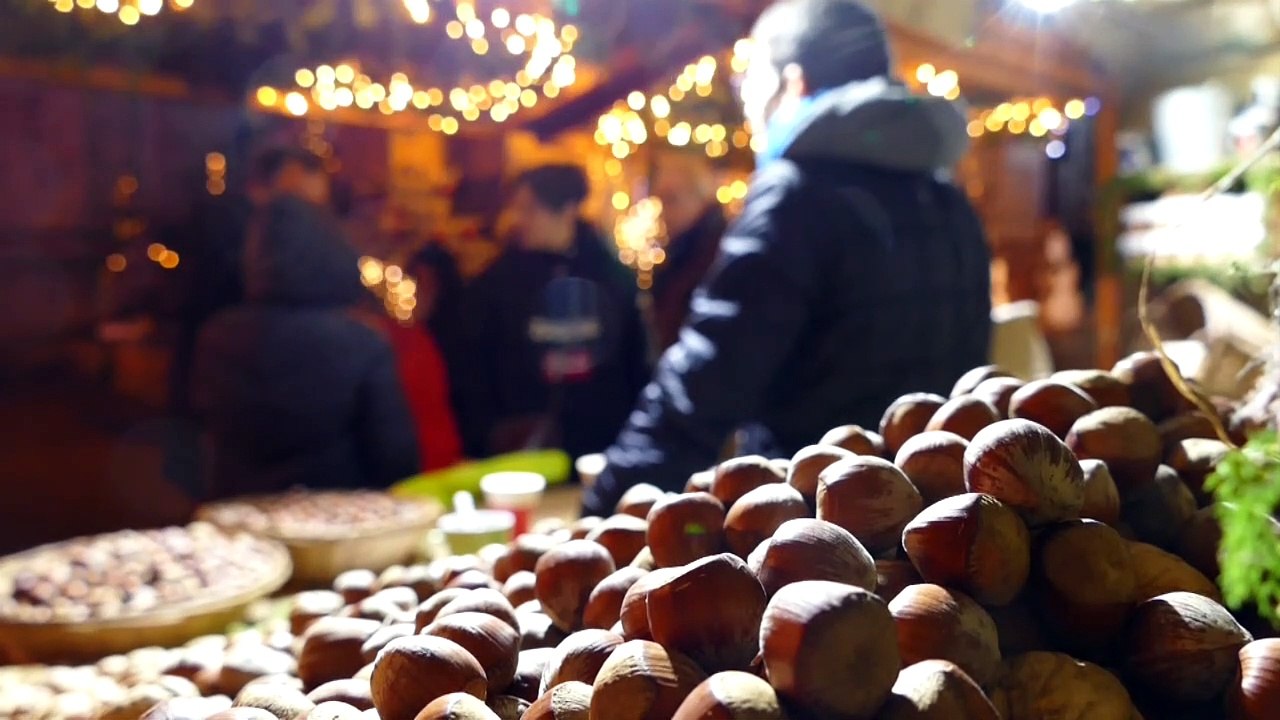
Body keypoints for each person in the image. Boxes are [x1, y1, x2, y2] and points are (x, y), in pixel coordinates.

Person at [583, 0, 992, 515]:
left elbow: (702, 391)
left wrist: (601, 512)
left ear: (792, 83)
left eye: (751, 89)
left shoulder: (796, 195)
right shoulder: (948, 197)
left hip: (814, 531)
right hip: (939, 522)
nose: (752, 118)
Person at [190, 195, 420, 498]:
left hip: (241, 520)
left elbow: (202, 441)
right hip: (339, 522)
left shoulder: (217, 336)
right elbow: (396, 460)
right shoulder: (361, 342)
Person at [453, 165, 649, 461]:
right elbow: (472, 367)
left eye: (531, 210)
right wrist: (486, 433)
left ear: (568, 209)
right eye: (517, 209)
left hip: (601, 449)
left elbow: (635, 361)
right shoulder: (495, 283)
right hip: (522, 454)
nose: (519, 220)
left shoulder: (612, 277)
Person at [648, 154, 728, 354]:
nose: (664, 212)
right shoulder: (682, 253)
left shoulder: (715, 257)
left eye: (672, 199)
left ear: (699, 198)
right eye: (661, 201)